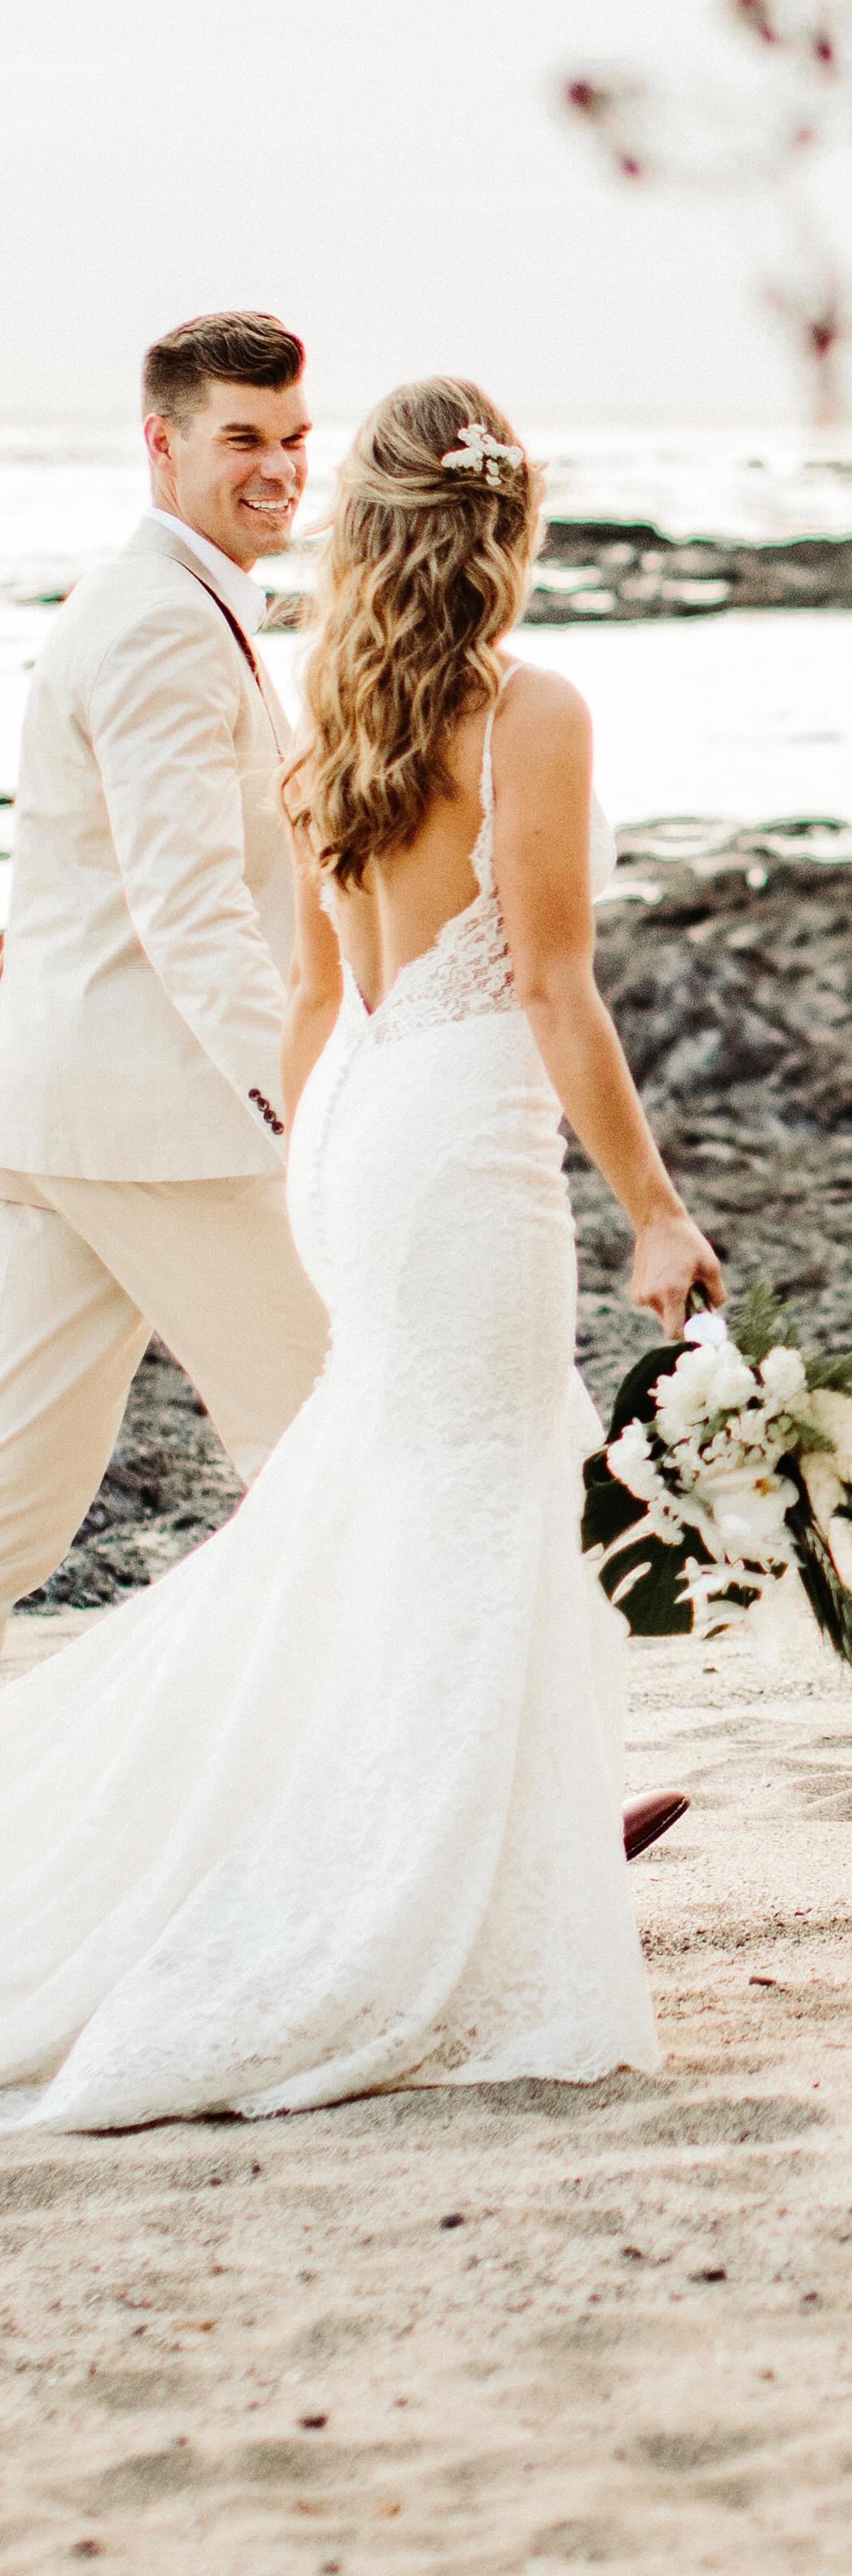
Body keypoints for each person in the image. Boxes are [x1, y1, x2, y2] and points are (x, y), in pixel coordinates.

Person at [0, 380, 722, 2129]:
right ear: (507, 524)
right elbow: (552, 985)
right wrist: (653, 1202)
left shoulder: (340, 700)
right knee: (477, 1498)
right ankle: (411, 1880)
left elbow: (319, 988)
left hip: (351, 1129)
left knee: (426, 1493)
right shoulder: (529, 709)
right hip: (457, 1145)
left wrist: (314, 1171)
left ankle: (512, 1834)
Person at [0, 312, 330, 1629]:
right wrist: (302, 1102)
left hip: (81, 1114)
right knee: (337, 1437)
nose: (280, 467)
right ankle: (409, 1748)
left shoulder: (162, 603)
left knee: (16, 1490)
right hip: (170, 1126)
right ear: (162, 442)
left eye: (295, 436)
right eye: (242, 438)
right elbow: (190, 911)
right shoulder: (162, 627)